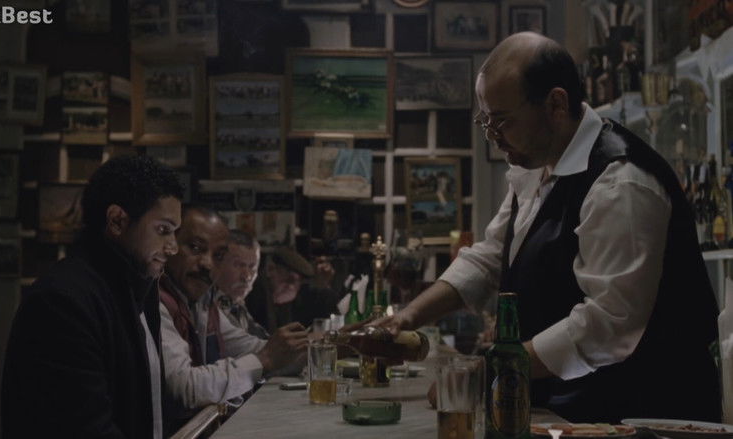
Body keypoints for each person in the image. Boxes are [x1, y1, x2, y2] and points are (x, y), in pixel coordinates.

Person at [380, 32, 721, 422]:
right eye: (485, 122)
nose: (493, 137)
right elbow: (489, 259)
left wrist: (491, 369)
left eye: (502, 121)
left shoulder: (619, 183)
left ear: (556, 104)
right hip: (575, 412)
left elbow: (608, 325)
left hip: (646, 415)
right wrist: (405, 318)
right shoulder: (538, 164)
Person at [2, 155, 184, 438]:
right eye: (163, 230)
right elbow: (85, 428)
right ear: (117, 221)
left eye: (174, 232)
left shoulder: (140, 287)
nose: (173, 247)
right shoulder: (61, 301)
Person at [160, 206, 308, 424]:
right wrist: (265, 359)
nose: (207, 263)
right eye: (195, 248)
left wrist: (329, 348)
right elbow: (184, 389)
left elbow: (253, 347)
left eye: (218, 255)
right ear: (169, 245)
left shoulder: (202, 302)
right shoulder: (156, 301)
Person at [246, 247, 338, 333]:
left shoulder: (290, 300)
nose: (291, 287)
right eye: (289, 279)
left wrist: (324, 285)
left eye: (297, 282)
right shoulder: (254, 295)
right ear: (271, 269)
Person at [213, 229, 269, 339]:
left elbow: (261, 337)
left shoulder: (236, 304)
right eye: (238, 265)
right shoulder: (206, 306)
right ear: (217, 264)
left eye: (252, 267)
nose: (247, 276)